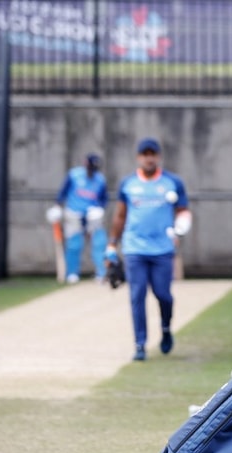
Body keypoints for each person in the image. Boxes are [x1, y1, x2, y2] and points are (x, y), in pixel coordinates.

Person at [106, 138, 191, 362]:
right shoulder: (128, 184)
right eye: (145, 154)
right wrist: (112, 245)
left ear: (158, 156)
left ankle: (165, 327)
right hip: (135, 248)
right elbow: (121, 215)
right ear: (138, 157)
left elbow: (183, 210)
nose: (149, 158)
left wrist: (181, 227)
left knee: (163, 295)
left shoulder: (173, 182)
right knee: (137, 295)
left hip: (163, 249)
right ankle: (140, 344)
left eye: (152, 154)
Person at [48, 153, 108, 284]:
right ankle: (72, 273)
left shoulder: (100, 179)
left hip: (92, 215)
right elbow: (63, 192)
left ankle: (102, 273)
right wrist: (57, 206)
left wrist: (100, 209)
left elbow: (104, 199)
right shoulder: (74, 175)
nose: (91, 171)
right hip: (74, 213)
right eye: (90, 168)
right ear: (85, 164)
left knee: (99, 243)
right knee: (74, 245)